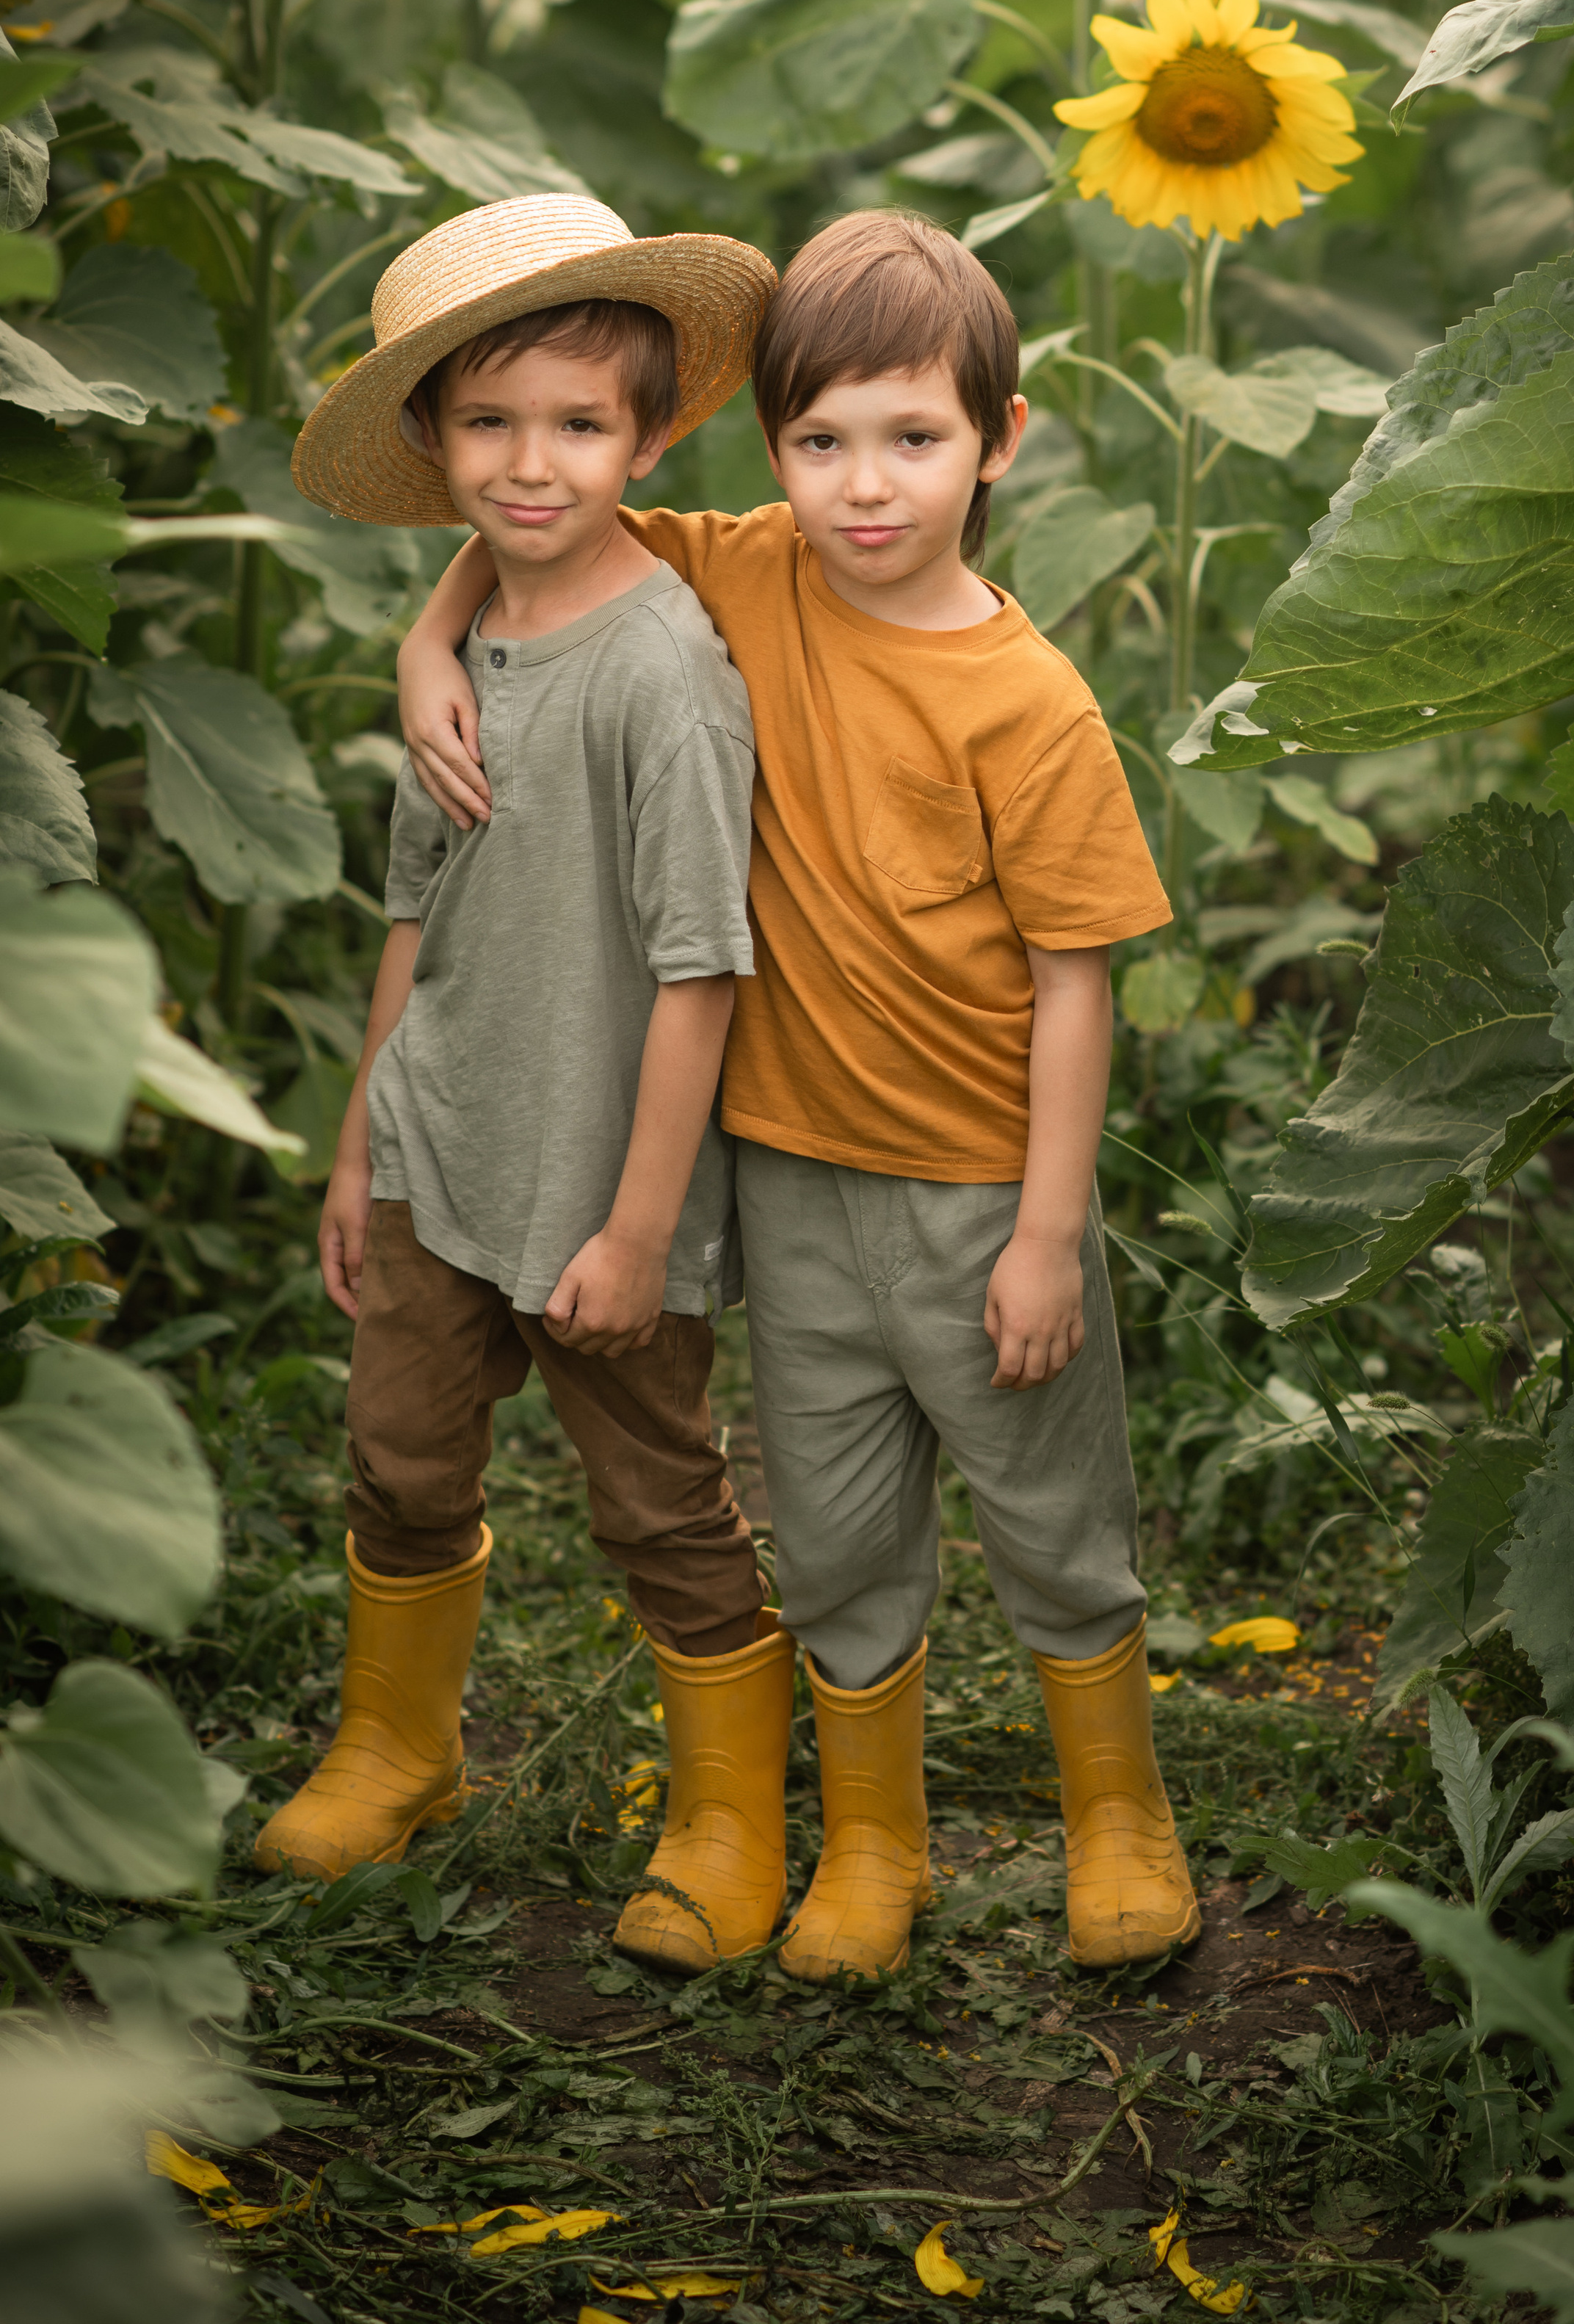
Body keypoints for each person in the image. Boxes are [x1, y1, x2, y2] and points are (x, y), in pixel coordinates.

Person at [398, 209, 1199, 1980]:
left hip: (984, 1185)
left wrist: (1051, 1233)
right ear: (772, 451)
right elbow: (537, 534)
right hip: (787, 1182)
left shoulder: (1028, 702)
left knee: (1053, 1523)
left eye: (911, 439)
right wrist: (428, 641)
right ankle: (876, 1849)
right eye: (819, 441)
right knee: (838, 1536)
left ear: (997, 440)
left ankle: (1119, 1819)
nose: (861, 487)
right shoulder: (742, 568)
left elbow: (1078, 981)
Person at [268, 194, 796, 1979]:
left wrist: (642, 1224)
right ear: (430, 443)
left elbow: (698, 966)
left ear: (649, 440)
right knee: (401, 1458)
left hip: (598, 1173)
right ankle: (396, 1746)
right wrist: (360, 1144)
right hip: (440, 1137)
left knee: (661, 1502)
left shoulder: (665, 675)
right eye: (487, 423)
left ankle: (730, 1812)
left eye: (578, 424)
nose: (529, 462)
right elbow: (419, 907)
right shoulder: (469, 646)